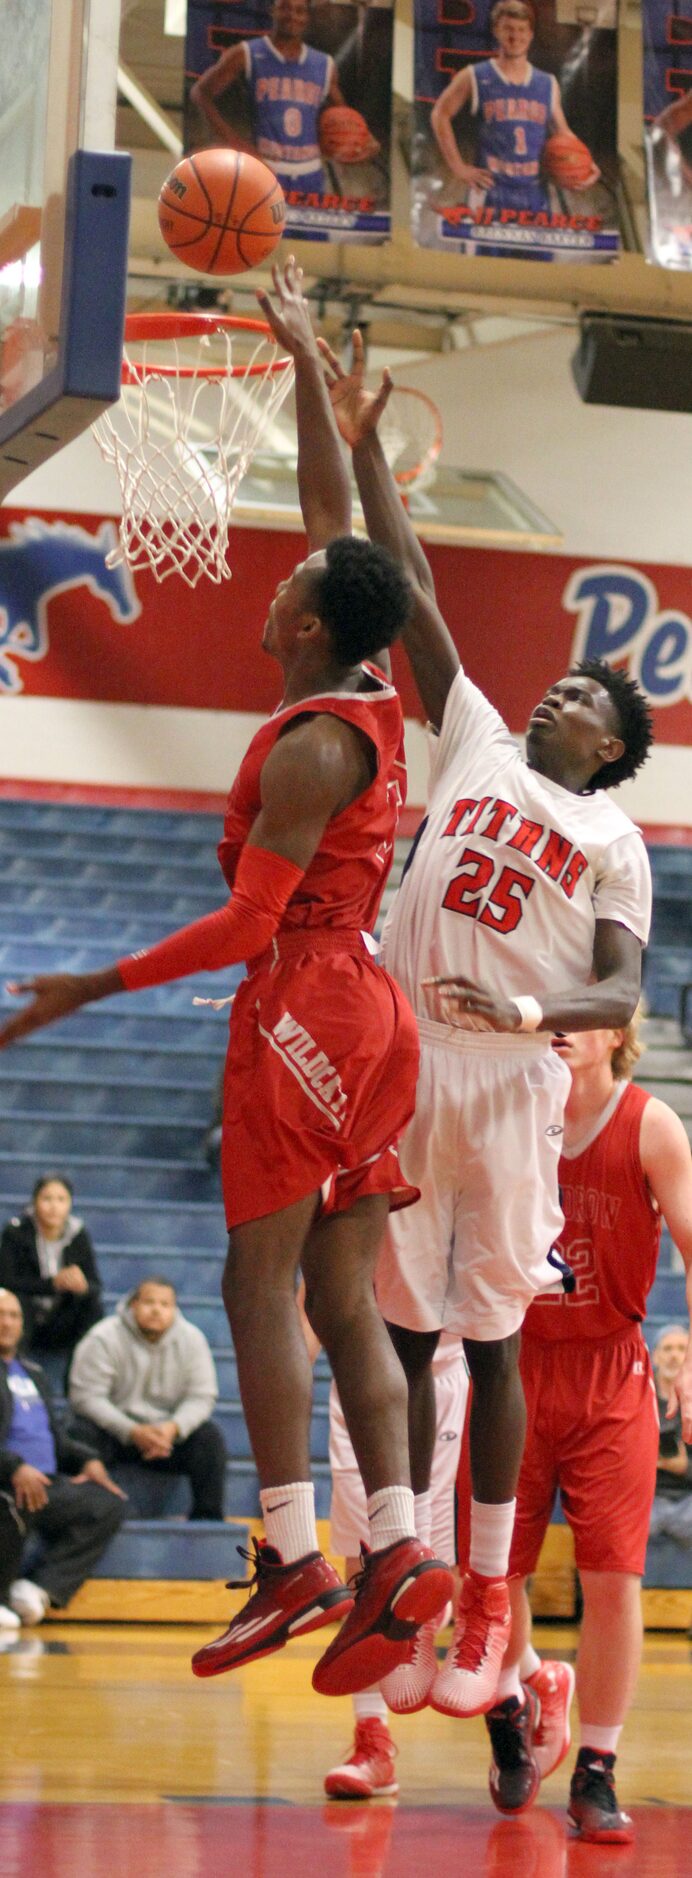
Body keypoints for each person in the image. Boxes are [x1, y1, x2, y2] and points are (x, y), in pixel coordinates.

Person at [0, 261, 453, 1696]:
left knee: (250, 1278)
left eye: (291, 585)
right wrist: (309, 360)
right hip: (370, 1012)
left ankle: (290, 1554)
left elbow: (256, 931)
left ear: (313, 622)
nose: (276, 577)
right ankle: (394, 1545)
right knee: (337, 1290)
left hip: (311, 996)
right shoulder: (358, 672)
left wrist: (96, 981)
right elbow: (334, 520)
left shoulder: (317, 743)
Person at [318, 327, 654, 1719]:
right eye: (559, 685)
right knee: (397, 1335)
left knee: (495, 1336)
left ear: (611, 745)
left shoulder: (614, 836)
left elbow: (623, 992)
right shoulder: (478, 745)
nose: (554, 693)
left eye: (582, 699)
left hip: (513, 1076)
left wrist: (523, 1003)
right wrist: (359, 444)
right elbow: (411, 599)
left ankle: (499, 1593)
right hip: (409, 1056)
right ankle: (409, 1564)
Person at [475, 1019, 692, 1843]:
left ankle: (597, 1765)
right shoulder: (508, 1113)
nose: (560, 1027)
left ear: (620, 1035)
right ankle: (520, 1697)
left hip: (610, 1373)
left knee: (612, 1582)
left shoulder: (651, 1124)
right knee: (494, 1572)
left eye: (582, 1016)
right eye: (551, 1012)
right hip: (513, 1368)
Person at [324, 1333, 467, 1798]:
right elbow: (308, 1298)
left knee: (439, 1575)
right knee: (363, 1563)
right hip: (356, 1372)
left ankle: (525, 1678)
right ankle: (373, 1741)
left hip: (440, 1377)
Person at [0, 1287, 125, 1624]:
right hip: (8, 1481)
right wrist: (15, 1467)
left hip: (47, 1481)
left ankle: (38, 1589)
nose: (7, 1322)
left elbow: (55, 1438)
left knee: (107, 1505)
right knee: (12, 1502)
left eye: (13, 1315)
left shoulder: (34, 1373)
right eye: (1, 1314)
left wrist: (87, 1461)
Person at [66, 1278, 227, 1520]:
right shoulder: (102, 1337)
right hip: (115, 1433)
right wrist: (132, 1431)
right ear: (132, 1305)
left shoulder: (192, 1340)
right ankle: (85, 1514)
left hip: (165, 1439)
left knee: (209, 1438)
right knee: (78, 1433)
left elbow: (201, 1396)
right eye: (149, 1302)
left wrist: (172, 1429)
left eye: (165, 1304)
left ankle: (206, 1519)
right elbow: (86, 1397)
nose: (156, 1310)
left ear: (174, 1310)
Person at [189, 0, 375, 204]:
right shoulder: (246, 53)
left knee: (308, 237)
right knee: (261, 235)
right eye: (285, 7)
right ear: (273, 11)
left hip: (310, 175)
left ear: (307, 17)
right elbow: (200, 93)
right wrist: (234, 141)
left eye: (299, 11)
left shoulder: (324, 64)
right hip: (265, 170)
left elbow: (343, 114)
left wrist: (363, 138)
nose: (292, 16)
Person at [431, 0, 598, 217]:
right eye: (508, 29)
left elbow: (562, 131)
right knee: (482, 253)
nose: (515, 36)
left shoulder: (548, 83)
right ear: (496, 31)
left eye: (521, 30)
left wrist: (586, 162)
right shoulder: (475, 75)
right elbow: (440, 114)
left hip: (535, 191)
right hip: (489, 190)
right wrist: (458, 167)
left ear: (530, 34)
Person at [0, 1174, 102, 1380]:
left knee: (92, 1306)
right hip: (27, 1311)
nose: (54, 1207)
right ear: (35, 1202)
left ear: (70, 1204)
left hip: (59, 1316)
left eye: (61, 1200)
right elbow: (6, 1281)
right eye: (47, 1199)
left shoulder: (79, 1234)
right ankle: (13, 1374)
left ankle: (82, 1378)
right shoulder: (16, 1231)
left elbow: (96, 1285)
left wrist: (82, 1286)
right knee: (14, 1302)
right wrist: (52, 1284)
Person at [648, 1323, 692, 1555]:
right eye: (667, 1349)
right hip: (645, 1499)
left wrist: (685, 1468)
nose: (674, 1356)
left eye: (681, 1349)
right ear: (655, 1356)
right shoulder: (637, 1398)